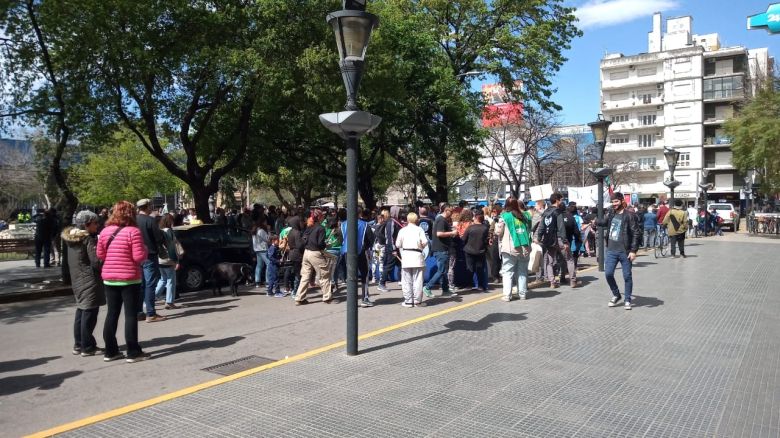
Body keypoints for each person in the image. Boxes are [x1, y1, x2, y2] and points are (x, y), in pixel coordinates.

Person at [97, 201, 150, 362]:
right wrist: (145, 249)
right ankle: (133, 352)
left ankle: (111, 351)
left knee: (112, 314)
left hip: (109, 279)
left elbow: (100, 255)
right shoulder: (133, 232)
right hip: (129, 279)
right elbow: (139, 257)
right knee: (130, 315)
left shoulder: (105, 231)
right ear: (131, 213)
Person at [62, 210, 106, 357]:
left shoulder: (71, 239)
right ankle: (87, 346)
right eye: (95, 223)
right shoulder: (87, 239)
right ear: (87, 225)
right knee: (90, 313)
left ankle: (79, 344)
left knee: (81, 311)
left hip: (77, 279)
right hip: (89, 279)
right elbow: (96, 261)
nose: (97, 225)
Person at [595, 192, 642, 310]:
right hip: (611, 250)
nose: (614, 204)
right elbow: (604, 222)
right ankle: (616, 294)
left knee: (627, 276)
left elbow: (636, 233)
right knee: (608, 274)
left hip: (625, 251)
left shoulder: (629, 215)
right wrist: (593, 221)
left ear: (621, 201)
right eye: (612, 202)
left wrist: (633, 250)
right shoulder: (611, 213)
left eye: (616, 201)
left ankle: (627, 299)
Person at [495, 198, 532, 301]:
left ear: (506, 205)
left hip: (510, 248)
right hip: (525, 247)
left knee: (508, 271)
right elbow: (529, 228)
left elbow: (498, 232)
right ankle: (523, 294)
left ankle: (507, 295)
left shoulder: (504, 217)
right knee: (522, 271)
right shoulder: (525, 216)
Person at [135, 199, 165, 323]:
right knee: (150, 285)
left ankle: (139, 312)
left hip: (137, 256)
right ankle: (151, 313)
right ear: (147, 207)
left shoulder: (134, 221)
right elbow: (158, 238)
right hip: (150, 255)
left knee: (140, 285)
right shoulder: (150, 220)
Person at [294, 215, 334, 305]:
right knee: (324, 274)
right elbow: (320, 243)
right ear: (320, 218)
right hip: (315, 253)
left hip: (306, 253)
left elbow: (304, 240)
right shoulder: (321, 228)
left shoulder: (309, 228)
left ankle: (299, 298)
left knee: (305, 276)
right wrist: (326, 245)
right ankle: (327, 297)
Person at [339, 207, 375, 307]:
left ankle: (352, 299)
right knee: (365, 275)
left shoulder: (343, 225)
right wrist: (366, 248)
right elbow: (371, 239)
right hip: (361, 252)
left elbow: (341, 239)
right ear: (360, 213)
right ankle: (365, 298)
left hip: (346, 252)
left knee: (351, 276)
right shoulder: (364, 225)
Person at [423, 204, 458, 298]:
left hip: (442, 248)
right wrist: (452, 232)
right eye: (450, 211)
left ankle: (445, 290)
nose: (452, 213)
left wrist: (450, 229)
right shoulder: (441, 220)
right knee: (441, 271)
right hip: (441, 249)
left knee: (444, 270)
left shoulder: (441, 220)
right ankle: (427, 287)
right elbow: (439, 233)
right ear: (446, 210)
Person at [395, 212, 429, 307]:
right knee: (418, 280)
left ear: (407, 219)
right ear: (416, 220)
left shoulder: (402, 230)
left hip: (406, 256)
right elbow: (425, 242)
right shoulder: (419, 229)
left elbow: (397, 244)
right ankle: (417, 301)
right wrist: (421, 245)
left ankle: (408, 301)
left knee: (406, 280)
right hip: (417, 255)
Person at [535, 193, 568, 289]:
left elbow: (541, 226)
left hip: (548, 239)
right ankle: (571, 279)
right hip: (557, 238)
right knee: (567, 258)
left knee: (549, 261)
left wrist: (539, 237)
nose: (561, 202)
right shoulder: (558, 212)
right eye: (561, 200)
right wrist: (565, 241)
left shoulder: (546, 212)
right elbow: (561, 227)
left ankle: (552, 282)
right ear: (557, 200)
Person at [155, 214, 180, 309]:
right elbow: (171, 248)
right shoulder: (169, 231)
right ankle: (169, 301)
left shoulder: (159, 231)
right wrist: (176, 261)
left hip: (160, 259)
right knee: (171, 280)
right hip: (168, 259)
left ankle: (151, 296)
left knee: (163, 279)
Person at [463, 210, 489, 292]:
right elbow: (486, 240)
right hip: (480, 251)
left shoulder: (470, 228)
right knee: (480, 269)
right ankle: (480, 285)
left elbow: (463, 238)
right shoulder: (485, 228)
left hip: (469, 250)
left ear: (476, 218)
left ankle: (469, 285)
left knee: (469, 268)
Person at [252, 220, 270, 291]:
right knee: (268, 263)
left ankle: (257, 281)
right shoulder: (261, 231)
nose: (266, 223)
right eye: (265, 221)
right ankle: (268, 281)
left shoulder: (255, 231)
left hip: (257, 249)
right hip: (263, 249)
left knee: (259, 265)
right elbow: (267, 239)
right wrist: (268, 231)